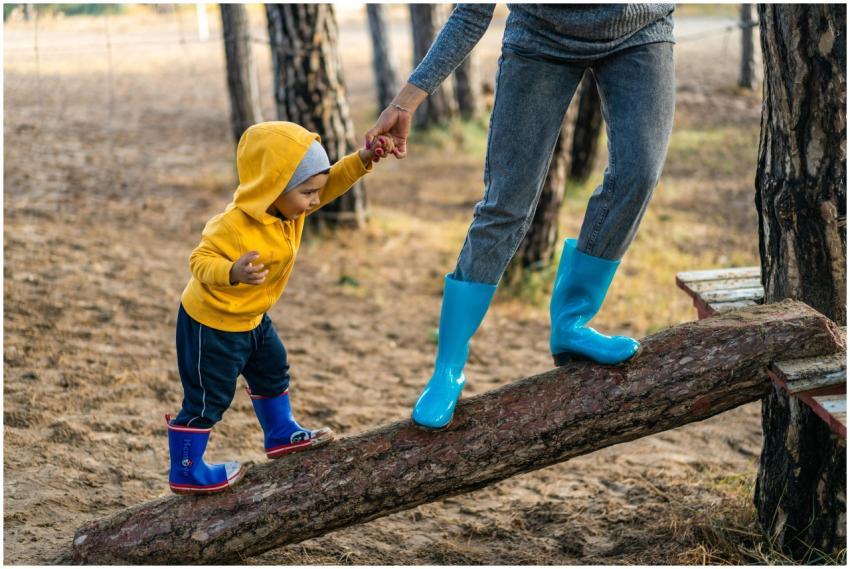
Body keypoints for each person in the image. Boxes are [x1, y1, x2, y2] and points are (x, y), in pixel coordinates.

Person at [365, 4, 676, 430]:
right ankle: (448, 369)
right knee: (505, 205)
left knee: (637, 176)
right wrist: (408, 99)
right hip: (540, 37)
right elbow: (472, 12)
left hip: (641, 29)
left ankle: (572, 323)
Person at [167, 121, 393, 494]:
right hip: (213, 324)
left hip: (253, 318)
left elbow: (330, 182)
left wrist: (364, 159)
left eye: (315, 192)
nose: (315, 201)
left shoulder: (291, 208)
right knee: (209, 397)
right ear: (273, 187)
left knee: (273, 369)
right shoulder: (233, 226)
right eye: (307, 193)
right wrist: (231, 271)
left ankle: (280, 433)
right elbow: (198, 260)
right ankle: (186, 469)